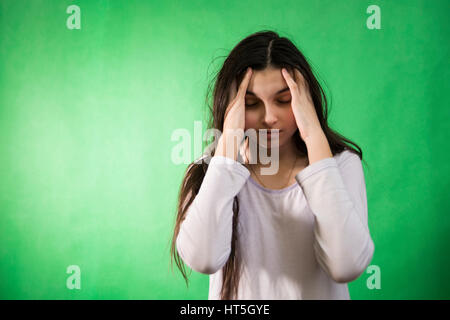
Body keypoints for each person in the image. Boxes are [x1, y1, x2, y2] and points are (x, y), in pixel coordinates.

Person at [170, 30, 375, 300]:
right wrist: (226, 150)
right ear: (231, 107)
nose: (269, 117)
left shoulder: (341, 166)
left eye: (284, 100)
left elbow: (346, 265)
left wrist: (314, 134)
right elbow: (203, 258)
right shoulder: (209, 172)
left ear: (305, 100)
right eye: (251, 103)